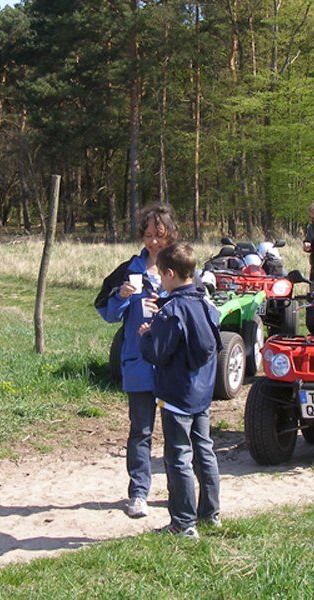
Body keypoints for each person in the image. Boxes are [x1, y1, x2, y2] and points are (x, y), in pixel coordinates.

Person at [94, 204, 178, 519]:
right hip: (139, 363)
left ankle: (177, 491)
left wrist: (168, 304)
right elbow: (106, 312)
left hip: (172, 365)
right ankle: (139, 494)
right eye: (148, 235)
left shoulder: (181, 268)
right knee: (140, 431)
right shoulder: (128, 269)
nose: (154, 242)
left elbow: (198, 306)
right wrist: (122, 297)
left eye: (159, 235)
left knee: (175, 432)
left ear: (170, 234)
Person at [138, 243, 221, 540]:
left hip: (176, 397)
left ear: (170, 274)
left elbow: (157, 353)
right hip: (202, 394)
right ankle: (210, 514)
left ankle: (183, 524)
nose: (160, 280)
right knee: (205, 451)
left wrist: (147, 336)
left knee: (179, 457)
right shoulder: (207, 304)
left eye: (161, 275)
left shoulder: (171, 312)